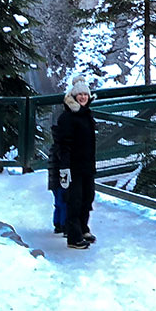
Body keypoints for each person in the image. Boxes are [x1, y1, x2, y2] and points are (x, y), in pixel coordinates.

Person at [53, 74, 97, 249]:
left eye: (85, 95)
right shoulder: (67, 118)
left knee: (88, 198)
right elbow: (64, 144)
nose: (83, 97)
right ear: (73, 96)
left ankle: (83, 228)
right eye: (80, 95)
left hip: (87, 166)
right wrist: (64, 167)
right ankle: (73, 236)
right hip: (73, 167)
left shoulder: (86, 115)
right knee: (75, 200)